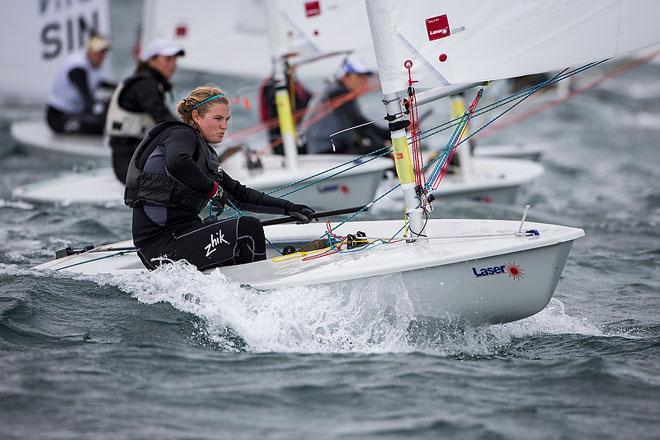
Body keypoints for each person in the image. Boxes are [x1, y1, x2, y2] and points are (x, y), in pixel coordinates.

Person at [124, 85, 315, 271]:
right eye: (217, 118)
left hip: (183, 236)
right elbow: (177, 163)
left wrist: (289, 208)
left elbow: (239, 196)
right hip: (161, 247)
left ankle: (247, 279)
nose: (224, 126)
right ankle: (258, 288)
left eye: (227, 119)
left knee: (238, 232)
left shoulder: (205, 154)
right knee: (248, 228)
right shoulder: (180, 134)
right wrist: (214, 190)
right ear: (196, 116)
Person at [104, 39, 185, 183]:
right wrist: (197, 136)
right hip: (129, 164)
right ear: (151, 61)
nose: (173, 64)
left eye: (174, 59)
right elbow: (164, 119)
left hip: (138, 155)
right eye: (168, 59)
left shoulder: (151, 83)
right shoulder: (144, 85)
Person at [301, 55, 390, 155]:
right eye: (360, 76)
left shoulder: (333, 90)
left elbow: (360, 127)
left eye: (365, 76)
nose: (365, 81)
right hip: (328, 152)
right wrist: (391, 133)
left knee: (378, 147)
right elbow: (359, 125)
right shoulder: (337, 93)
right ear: (345, 76)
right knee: (382, 149)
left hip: (331, 149)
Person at [45, 33, 115, 135]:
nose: (102, 56)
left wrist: (120, 86)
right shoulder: (78, 69)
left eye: (104, 52)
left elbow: (98, 83)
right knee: (100, 124)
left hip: (75, 113)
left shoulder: (92, 63)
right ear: (89, 50)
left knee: (106, 115)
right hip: (58, 118)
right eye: (99, 52)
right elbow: (89, 101)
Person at [258, 69, 312, 154]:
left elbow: (308, 97)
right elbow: (275, 108)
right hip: (282, 136)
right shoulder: (274, 85)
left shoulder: (292, 82)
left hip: (295, 133)